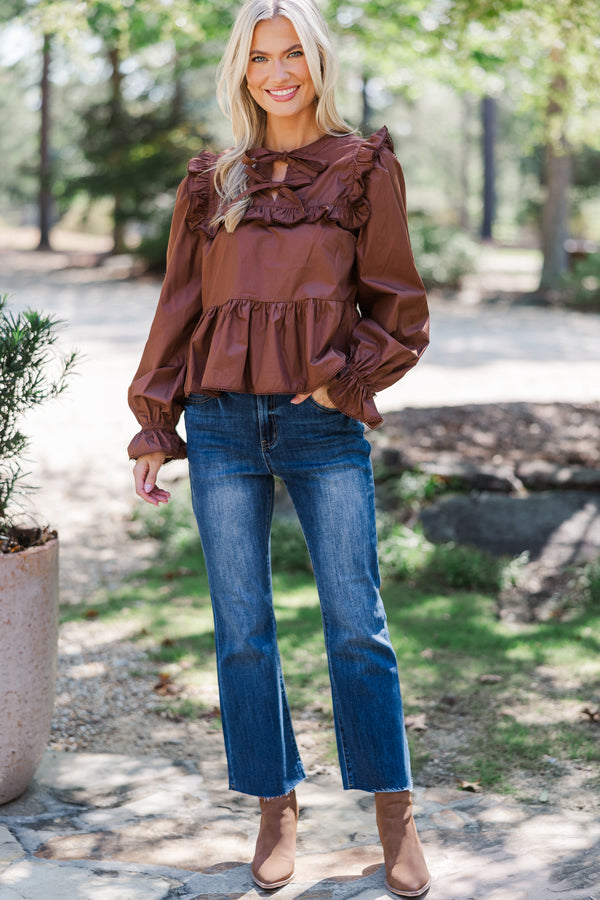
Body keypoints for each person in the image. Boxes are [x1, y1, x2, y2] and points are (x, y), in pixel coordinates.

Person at [128, 0, 430, 895]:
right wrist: (155, 422)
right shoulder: (211, 181)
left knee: (357, 626)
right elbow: (179, 309)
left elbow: (399, 304)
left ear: (317, 60)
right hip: (221, 426)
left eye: (293, 50)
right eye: (261, 55)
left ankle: (394, 810)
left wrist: (340, 384)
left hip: (322, 425)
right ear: (243, 70)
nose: (279, 69)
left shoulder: (361, 169)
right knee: (244, 632)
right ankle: (275, 804)